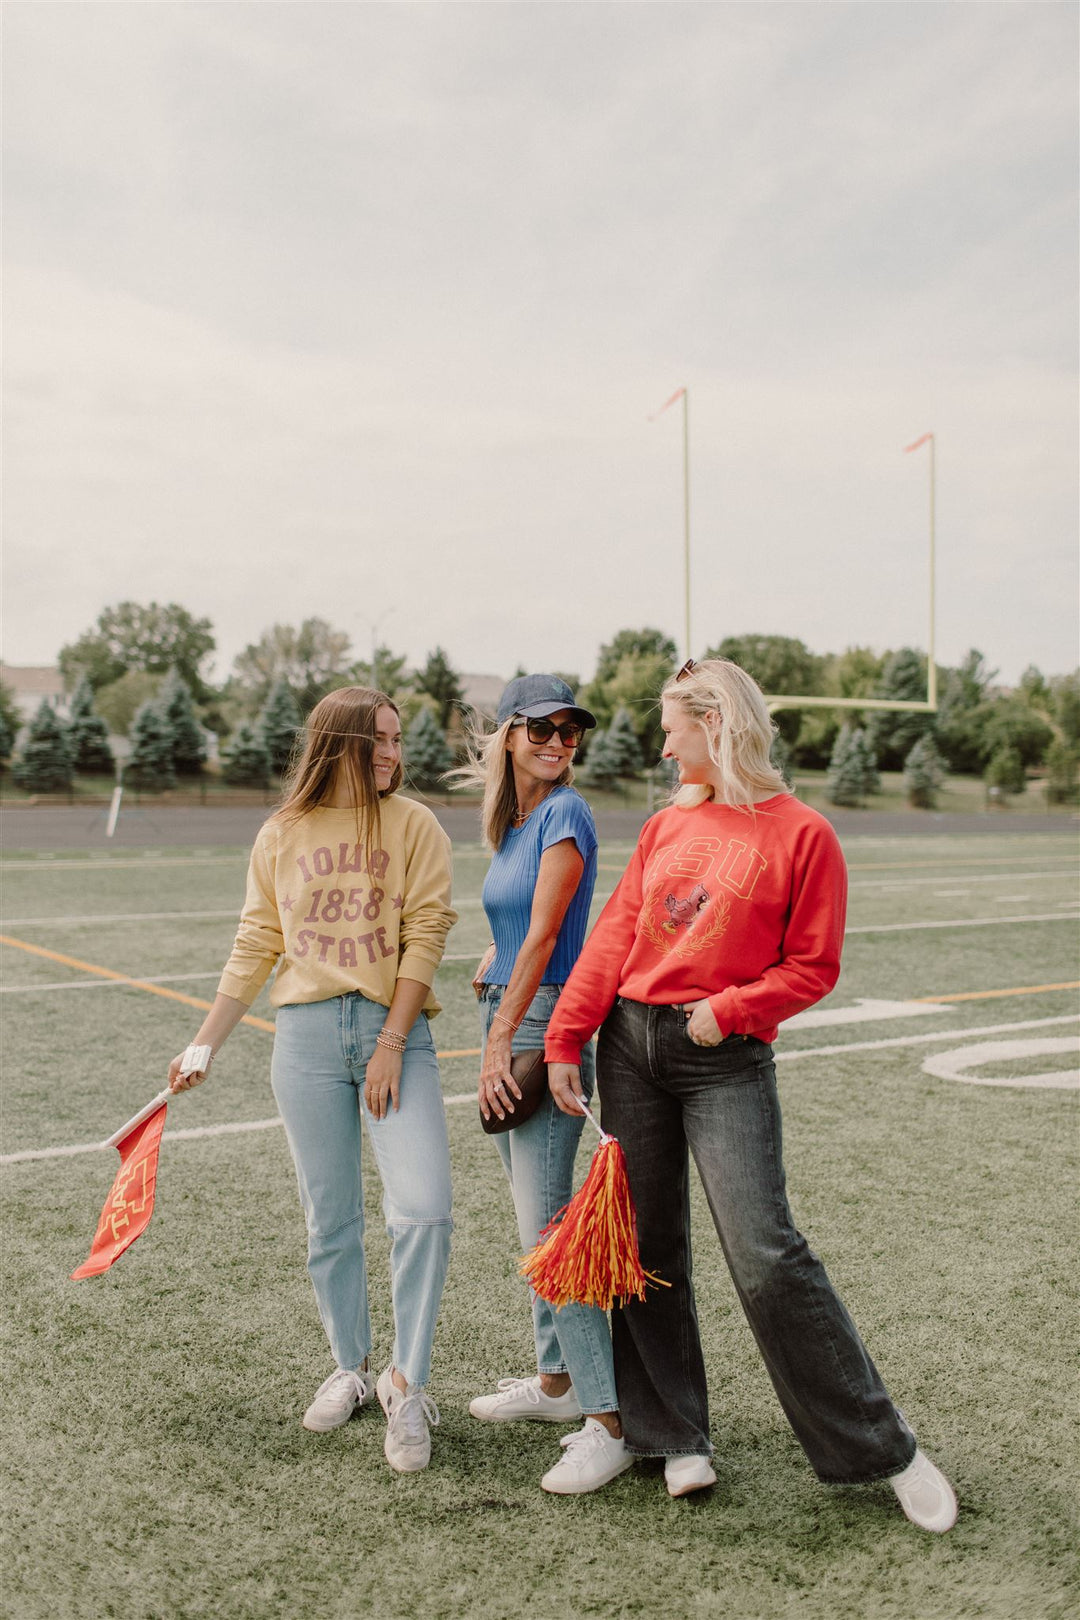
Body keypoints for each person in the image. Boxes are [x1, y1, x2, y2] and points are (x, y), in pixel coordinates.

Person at [543, 658, 958, 1527]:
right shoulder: (665, 827)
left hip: (720, 1055)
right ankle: (671, 1436)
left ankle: (887, 1449)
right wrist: (564, 1038)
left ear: (717, 723)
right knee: (648, 1248)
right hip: (627, 1046)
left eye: (672, 728)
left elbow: (813, 966)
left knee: (767, 1254)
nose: (662, 747)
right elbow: (617, 937)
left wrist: (730, 1009)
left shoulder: (805, 833)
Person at [166, 687, 456, 1475]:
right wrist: (205, 1044)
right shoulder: (282, 833)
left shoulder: (416, 825)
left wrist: (394, 1039)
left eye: (398, 740)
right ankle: (352, 1369)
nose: (395, 754)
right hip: (302, 1041)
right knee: (330, 1221)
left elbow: (426, 930)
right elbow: (257, 940)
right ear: (340, 745)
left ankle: (407, 1383)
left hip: (393, 1034)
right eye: (380, 741)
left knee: (423, 1210)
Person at [452, 674, 631, 1495]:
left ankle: (608, 1422)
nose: (560, 742)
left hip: (543, 1026)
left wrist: (498, 1037)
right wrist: (496, 954)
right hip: (514, 1006)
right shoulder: (516, 820)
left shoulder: (566, 811)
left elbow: (555, 931)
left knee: (552, 1233)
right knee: (538, 1227)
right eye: (544, 728)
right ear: (511, 734)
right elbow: (521, 922)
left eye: (571, 730)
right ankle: (558, 1385)